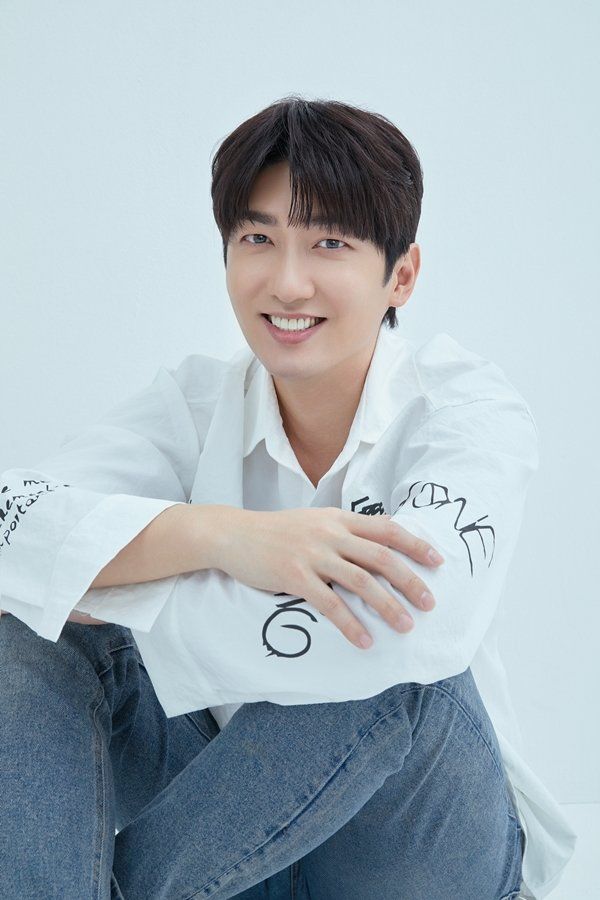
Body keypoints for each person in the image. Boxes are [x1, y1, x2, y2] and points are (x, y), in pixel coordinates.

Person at [0, 96, 575, 899]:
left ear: (401, 274)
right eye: (258, 239)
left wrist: (119, 584)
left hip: (416, 851)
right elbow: (14, 526)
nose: (288, 281)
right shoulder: (194, 403)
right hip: (234, 835)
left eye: (329, 242)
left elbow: (414, 629)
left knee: (392, 652)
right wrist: (222, 538)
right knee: (27, 626)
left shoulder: (465, 410)